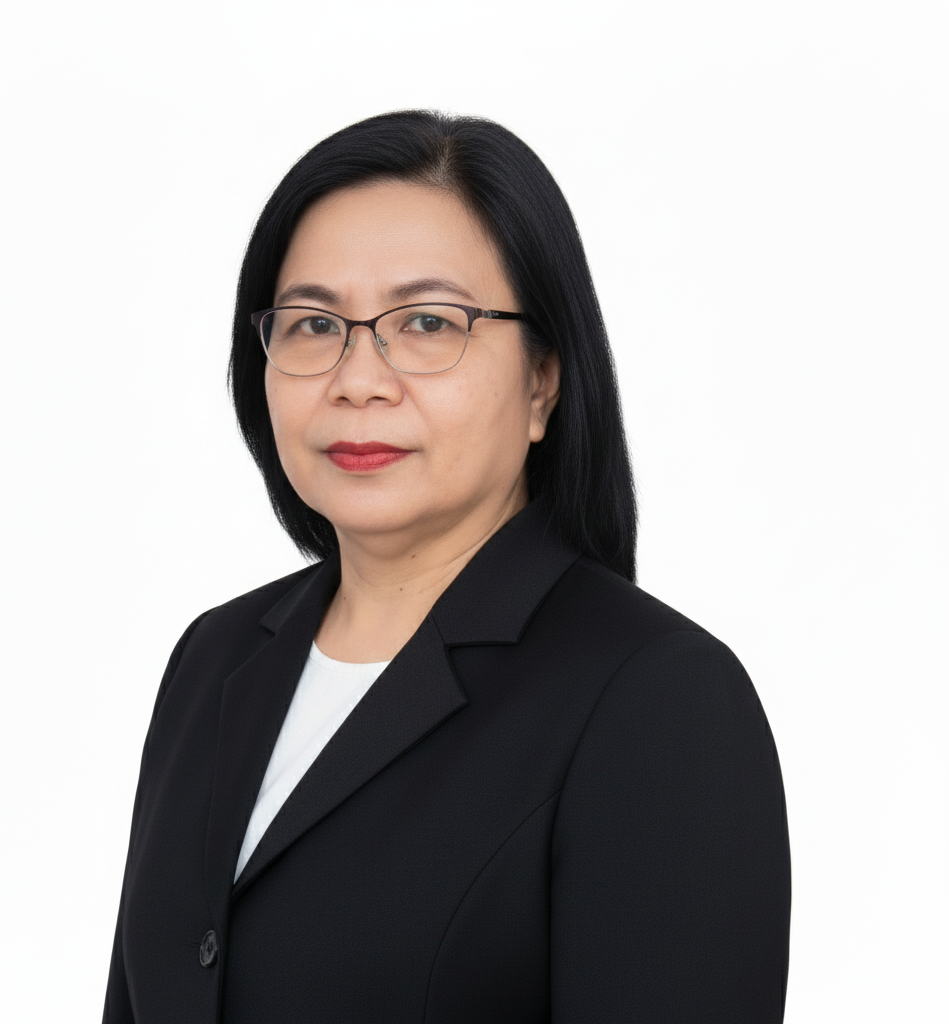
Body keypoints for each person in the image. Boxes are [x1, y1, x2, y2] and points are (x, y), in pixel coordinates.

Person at [103, 110, 791, 1024]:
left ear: (543, 380)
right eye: (313, 324)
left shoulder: (658, 698)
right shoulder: (214, 657)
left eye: (428, 321)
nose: (357, 379)